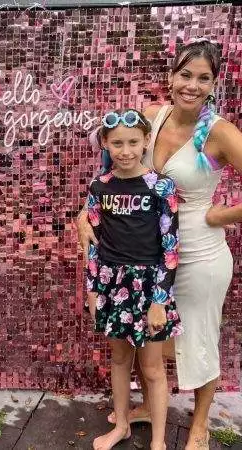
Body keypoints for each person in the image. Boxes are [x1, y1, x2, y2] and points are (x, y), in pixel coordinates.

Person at [78, 39, 242, 450]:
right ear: (171, 77)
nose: (192, 85)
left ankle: (201, 424)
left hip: (200, 254)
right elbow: (111, 175)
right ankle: (154, 407)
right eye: (185, 74)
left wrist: (220, 215)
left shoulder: (221, 132)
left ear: (213, 84)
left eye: (203, 78)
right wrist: (84, 216)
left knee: (199, 342)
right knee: (161, 344)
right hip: (147, 257)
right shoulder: (153, 117)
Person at [86, 108, 181, 450]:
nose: (125, 151)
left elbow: (170, 249)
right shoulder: (100, 186)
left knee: (153, 368)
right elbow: (94, 244)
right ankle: (121, 424)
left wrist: (159, 301)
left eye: (132, 143)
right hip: (113, 285)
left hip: (150, 287)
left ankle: (159, 442)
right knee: (120, 360)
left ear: (145, 143)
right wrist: (93, 290)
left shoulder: (161, 187)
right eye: (117, 144)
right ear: (107, 145)